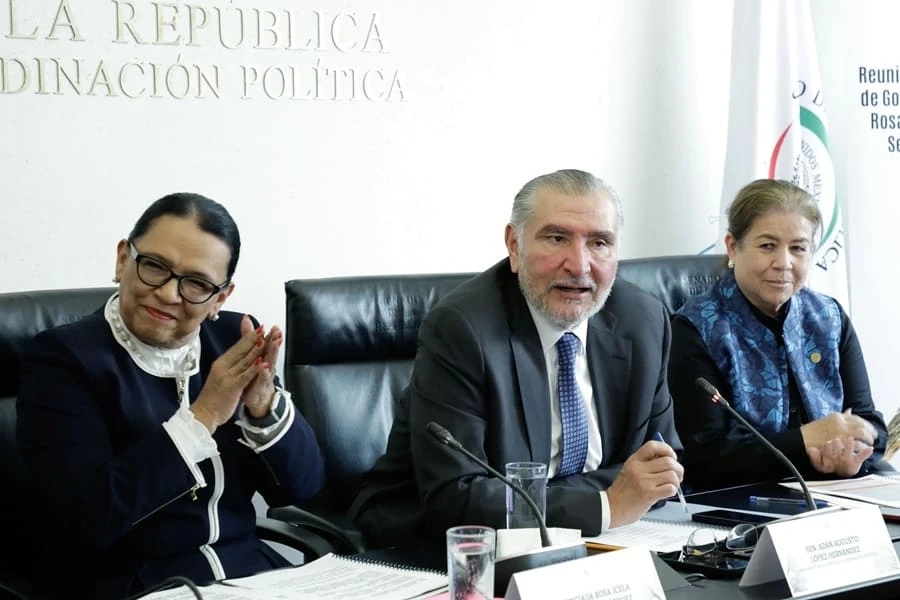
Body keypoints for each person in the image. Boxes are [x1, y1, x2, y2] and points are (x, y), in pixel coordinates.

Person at [350, 169, 683, 545]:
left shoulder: (643, 320)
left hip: (602, 539)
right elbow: (455, 496)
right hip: (438, 545)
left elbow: (659, 467)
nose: (579, 265)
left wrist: (611, 499)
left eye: (599, 243)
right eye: (557, 238)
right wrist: (605, 504)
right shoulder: (463, 329)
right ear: (514, 245)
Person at [17, 193, 325, 598]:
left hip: (251, 576)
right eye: (155, 267)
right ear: (123, 259)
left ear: (221, 298)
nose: (168, 293)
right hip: (133, 586)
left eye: (196, 283)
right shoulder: (64, 359)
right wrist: (203, 416)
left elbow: (302, 489)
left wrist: (264, 404)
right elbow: (85, 519)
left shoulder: (235, 341)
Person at [669, 179, 889, 490]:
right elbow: (706, 456)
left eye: (798, 248)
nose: (783, 264)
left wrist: (852, 453)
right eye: (767, 246)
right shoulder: (695, 328)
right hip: (745, 502)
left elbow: (873, 427)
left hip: (840, 490)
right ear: (733, 246)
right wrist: (807, 440)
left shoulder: (829, 316)